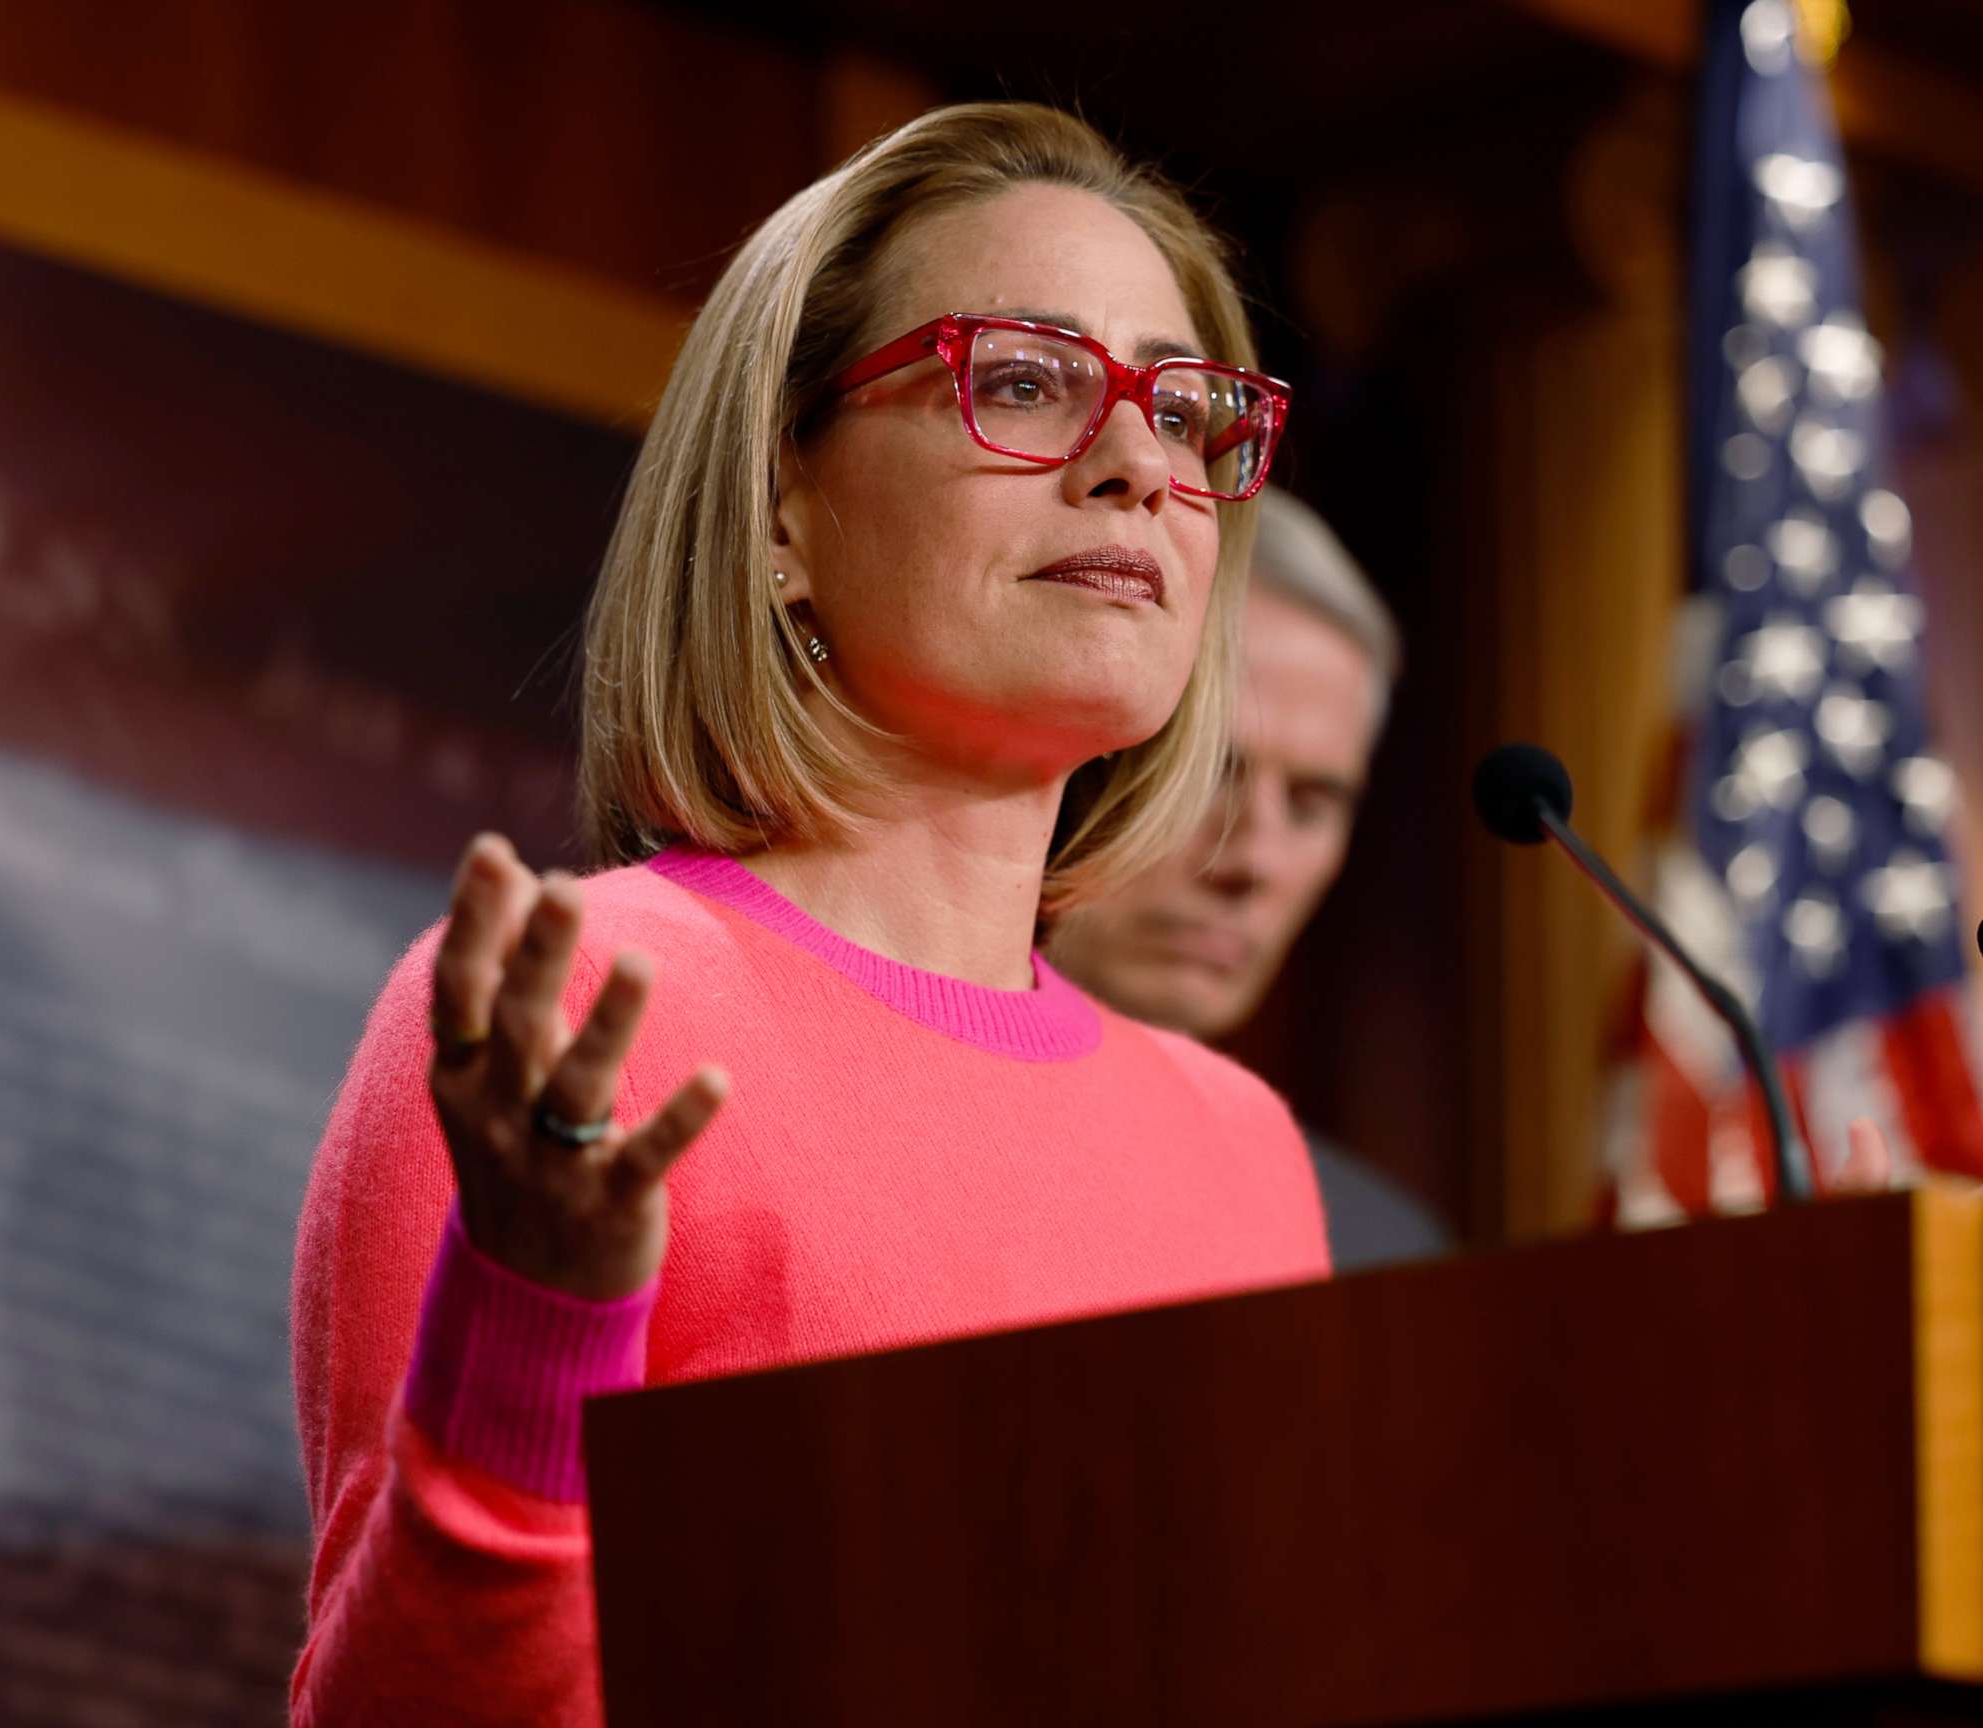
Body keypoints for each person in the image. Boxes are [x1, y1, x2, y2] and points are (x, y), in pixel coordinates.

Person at [289, 103, 1318, 1726]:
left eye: (1188, 414)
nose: (1138, 465)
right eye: (1026, 381)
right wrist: (533, 1328)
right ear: (782, 510)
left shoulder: (1242, 1149)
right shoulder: (584, 1022)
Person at [1047, 490, 1453, 1268]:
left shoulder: (1379, 1254)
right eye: (1207, 776)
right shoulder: (871, 1154)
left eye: (1310, 805)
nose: (1254, 863)